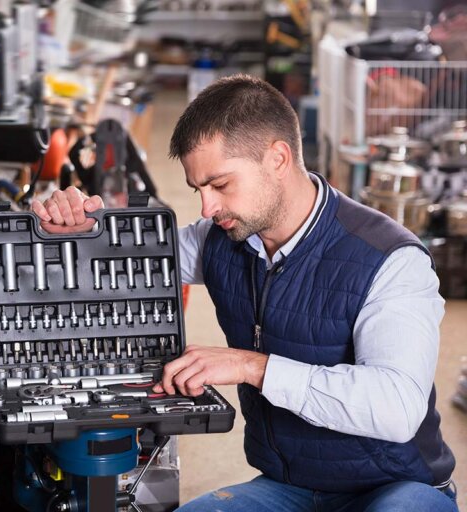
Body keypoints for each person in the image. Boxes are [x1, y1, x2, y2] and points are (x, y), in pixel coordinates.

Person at [31, 75, 457, 511]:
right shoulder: (221, 238)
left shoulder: (389, 258)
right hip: (289, 488)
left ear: (277, 158)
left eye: (220, 184)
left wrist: (251, 366)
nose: (207, 207)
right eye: (199, 189)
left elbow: (397, 408)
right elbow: (123, 260)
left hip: (396, 489)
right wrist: (79, 227)